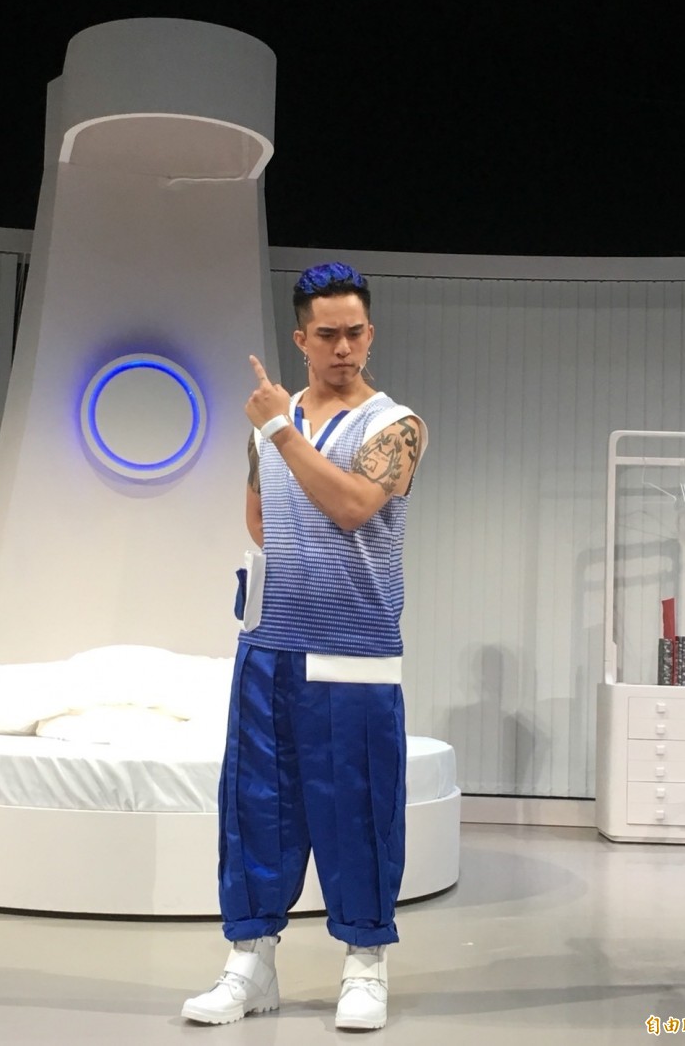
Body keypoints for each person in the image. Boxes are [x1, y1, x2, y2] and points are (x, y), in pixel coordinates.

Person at [182, 262, 427, 1031]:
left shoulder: (397, 424)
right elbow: (259, 519)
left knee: (358, 811)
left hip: (355, 651)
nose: (343, 348)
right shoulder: (273, 420)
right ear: (301, 339)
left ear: (371, 333)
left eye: (355, 332)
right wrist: (276, 430)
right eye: (327, 335)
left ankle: (365, 965)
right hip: (270, 644)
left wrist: (279, 430)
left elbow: (354, 506)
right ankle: (249, 964)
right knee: (256, 808)